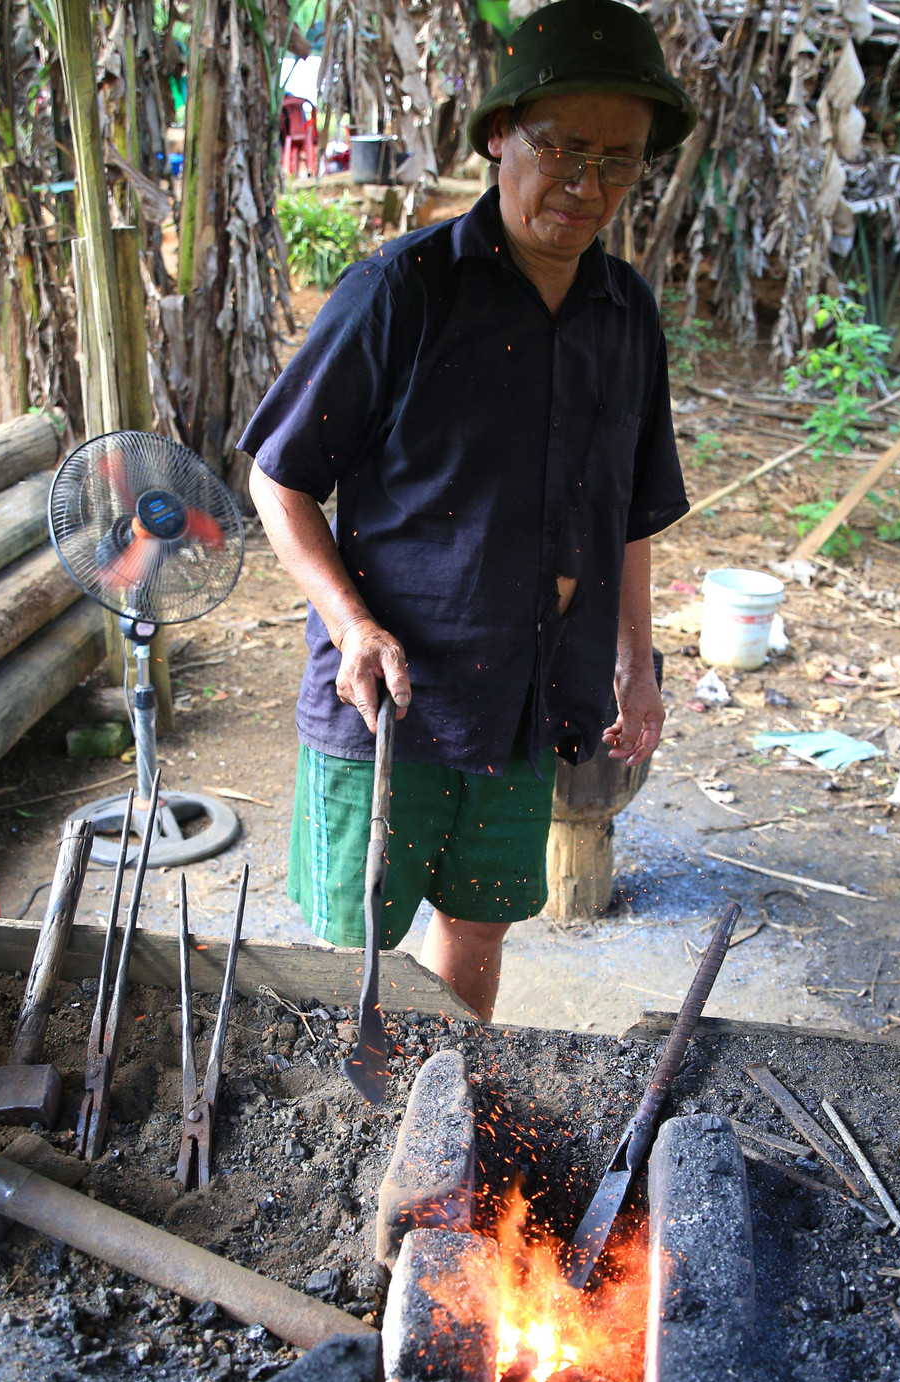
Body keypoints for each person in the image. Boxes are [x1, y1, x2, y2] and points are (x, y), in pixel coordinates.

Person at [240, 0, 692, 1021]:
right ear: (498, 134)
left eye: (618, 162)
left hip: (535, 693)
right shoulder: (399, 293)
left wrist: (634, 661)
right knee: (359, 943)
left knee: (479, 923)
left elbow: (630, 511)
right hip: (394, 692)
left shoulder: (625, 315)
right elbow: (279, 480)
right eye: (563, 149)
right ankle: (345, 1141)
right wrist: (352, 625)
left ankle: (449, 1119)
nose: (588, 188)